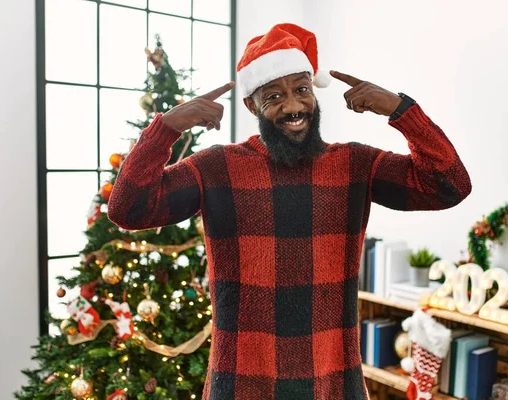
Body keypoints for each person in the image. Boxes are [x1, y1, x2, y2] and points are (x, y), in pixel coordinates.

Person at [108, 23, 471, 400]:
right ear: (251, 105)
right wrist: (165, 129)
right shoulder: (216, 168)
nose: (294, 106)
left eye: (302, 90)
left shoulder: (354, 164)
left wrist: (401, 111)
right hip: (241, 384)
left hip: (334, 382)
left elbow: (449, 185)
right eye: (275, 96)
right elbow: (129, 209)